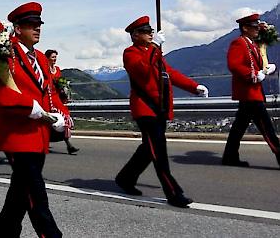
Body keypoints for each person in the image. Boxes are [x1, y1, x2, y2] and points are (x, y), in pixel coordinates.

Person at [0, 2, 67, 238]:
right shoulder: (2, 52)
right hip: (17, 137)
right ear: (17, 28)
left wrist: (61, 115)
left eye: (39, 24)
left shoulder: (40, 57)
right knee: (36, 196)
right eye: (32, 24)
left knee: (19, 195)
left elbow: (50, 92)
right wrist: (27, 106)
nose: (37, 28)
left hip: (38, 137)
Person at [115, 16, 209, 208]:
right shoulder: (130, 53)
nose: (150, 33)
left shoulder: (153, 53)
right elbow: (142, 70)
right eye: (145, 31)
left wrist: (194, 87)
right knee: (159, 152)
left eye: (151, 31)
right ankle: (173, 193)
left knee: (148, 149)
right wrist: (156, 48)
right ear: (135, 35)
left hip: (159, 108)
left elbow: (170, 73)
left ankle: (125, 178)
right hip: (145, 108)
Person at [222, 13, 279, 168]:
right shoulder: (239, 43)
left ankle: (229, 156)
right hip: (249, 92)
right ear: (245, 28)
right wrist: (252, 76)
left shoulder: (251, 43)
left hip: (253, 92)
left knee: (239, 128)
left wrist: (267, 69)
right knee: (267, 127)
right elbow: (234, 65)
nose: (257, 30)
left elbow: (258, 61)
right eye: (254, 27)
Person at [45, 49, 78, 155]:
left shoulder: (57, 69)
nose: (55, 59)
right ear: (48, 58)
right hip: (48, 97)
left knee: (64, 117)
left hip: (57, 97)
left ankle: (69, 144)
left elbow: (60, 83)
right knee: (49, 121)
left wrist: (63, 89)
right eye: (53, 57)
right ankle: (68, 145)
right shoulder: (45, 69)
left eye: (55, 57)